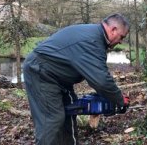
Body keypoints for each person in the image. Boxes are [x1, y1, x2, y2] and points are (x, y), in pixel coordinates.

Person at [23, 13, 130, 145]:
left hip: (59, 77)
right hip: (40, 72)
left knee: (70, 110)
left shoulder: (95, 36)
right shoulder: (92, 41)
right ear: (113, 29)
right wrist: (120, 99)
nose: (121, 42)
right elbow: (101, 81)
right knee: (52, 119)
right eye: (122, 37)